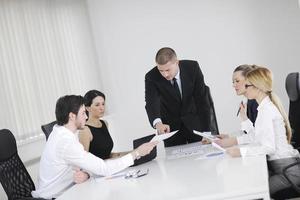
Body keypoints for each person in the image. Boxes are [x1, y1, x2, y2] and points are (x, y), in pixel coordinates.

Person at [32, 95, 157, 199]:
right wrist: (136, 153)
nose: (86, 117)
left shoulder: (60, 130)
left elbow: (82, 164)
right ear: (71, 116)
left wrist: (86, 173)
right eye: (83, 113)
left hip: (68, 189)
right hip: (56, 196)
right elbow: (102, 168)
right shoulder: (65, 142)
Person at [215, 67, 300, 196]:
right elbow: (256, 136)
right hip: (284, 168)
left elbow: (269, 148)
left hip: (289, 174)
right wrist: (244, 118)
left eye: (247, 85)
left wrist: (241, 152)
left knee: (254, 193)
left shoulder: (267, 111)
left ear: (258, 87)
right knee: (250, 186)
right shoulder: (264, 108)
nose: (245, 88)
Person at [145, 47, 211, 147]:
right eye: (161, 70)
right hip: (170, 130)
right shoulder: (151, 77)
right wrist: (158, 124)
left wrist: (207, 132)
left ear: (177, 62)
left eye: (168, 70)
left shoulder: (192, 68)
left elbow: (202, 99)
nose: (165, 74)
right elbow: (151, 102)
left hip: (195, 126)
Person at [79, 90, 129, 159]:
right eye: (97, 105)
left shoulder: (104, 123)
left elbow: (106, 155)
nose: (102, 108)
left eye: (103, 104)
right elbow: (84, 161)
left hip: (108, 166)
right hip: (97, 169)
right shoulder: (85, 130)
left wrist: (133, 152)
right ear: (88, 108)